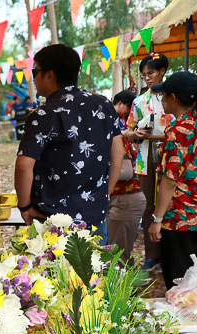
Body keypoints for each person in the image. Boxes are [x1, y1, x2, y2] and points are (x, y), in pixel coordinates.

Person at [14, 44, 124, 238]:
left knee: (55, 268)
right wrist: (104, 194)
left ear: (50, 75)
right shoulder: (104, 104)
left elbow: (24, 165)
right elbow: (118, 153)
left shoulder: (44, 114)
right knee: (93, 266)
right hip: (95, 217)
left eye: (35, 71)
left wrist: (24, 206)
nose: (34, 77)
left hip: (51, 220)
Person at [147, 72, 197, 290]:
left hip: (179, 218)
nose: (162, 101)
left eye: (163, 96)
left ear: (173, 97)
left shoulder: (179, 130)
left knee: (180, 286)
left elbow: (170, 181)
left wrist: (157, 219)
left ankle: (186, 324)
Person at [124, 53, 171, 273]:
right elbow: (128, 129)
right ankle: (152, 256)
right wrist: (137, 132)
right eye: (144, 75)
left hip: (171, 157)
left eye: (151, 73)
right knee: (148, 207)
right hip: (145, 159)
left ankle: (172, 253)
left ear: (162, 71)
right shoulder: (139, 101)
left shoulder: (174, 97)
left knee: (171, 203)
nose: (148, 78)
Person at [107, 90, 145, 265]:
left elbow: (125, 171)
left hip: (124, 199)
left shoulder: (117, 134)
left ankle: (122, 290)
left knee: (118, 256)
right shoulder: (115, 131)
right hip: (120, 199)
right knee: (116, 253)